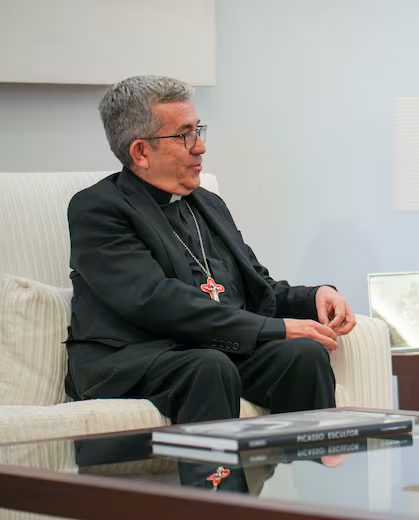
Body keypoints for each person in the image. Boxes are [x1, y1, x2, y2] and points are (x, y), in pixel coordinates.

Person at [65, 75, 356, 431]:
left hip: (214, 347)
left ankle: (324, 467)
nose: (200, 147)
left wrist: (315, 298)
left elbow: (256, 286)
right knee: (209, 365)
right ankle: (214, 488)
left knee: (303, 354)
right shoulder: (98, 209)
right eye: (185, 135)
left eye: (198, 130)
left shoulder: (207, 204)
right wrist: (274, 329)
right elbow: (156, 301)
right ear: (141, 152)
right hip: (140, 357)